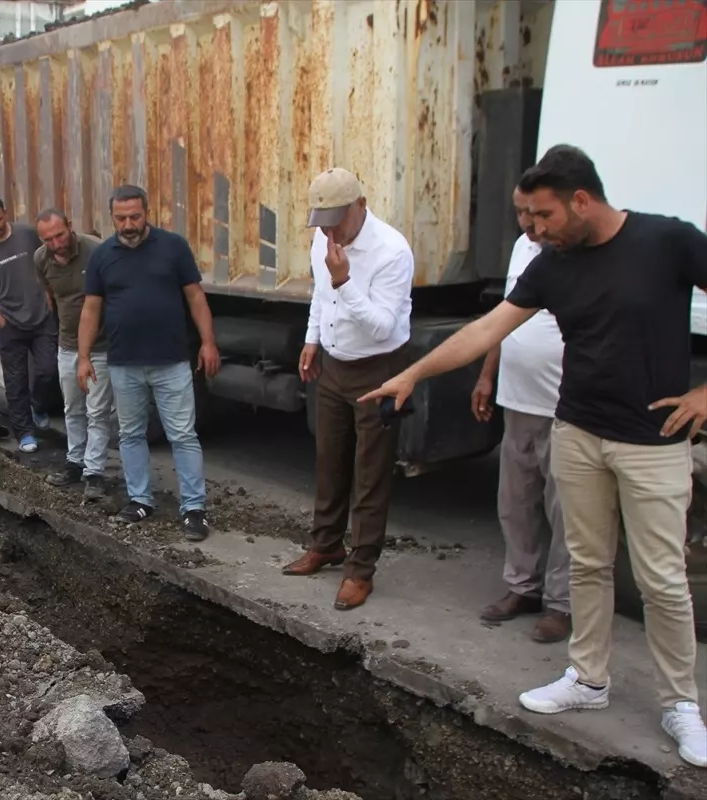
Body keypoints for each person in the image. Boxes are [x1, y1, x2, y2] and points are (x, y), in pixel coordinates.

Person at [358, 144, 707, 768]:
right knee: (589, 566)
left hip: (652, 442)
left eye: (541, 216)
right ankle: (589, 679)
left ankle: (681, 703)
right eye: (527, 218)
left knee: (662, 580)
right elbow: (485, 330)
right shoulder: (551, 266)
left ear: (581, 200)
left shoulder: (668, 242)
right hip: (575, 432)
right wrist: (412, 375)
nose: (533, 230)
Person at [279, 167, 414, 611]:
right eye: (323, 221)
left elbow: (382, 328)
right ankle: (326, 545)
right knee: (328, 459)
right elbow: (321, 294)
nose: (330, 230)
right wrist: (312, 340)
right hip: (335, 365)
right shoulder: (325, 238)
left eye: (338, 219)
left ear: (361, 204)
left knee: (371, 473)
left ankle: (361, 570)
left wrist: (344, 280)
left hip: (380, 369)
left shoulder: (391, 251)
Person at [78, 185, 220, 541]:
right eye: (121, 218)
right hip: (123, 364)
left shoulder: (173, 247)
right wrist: (83, 356)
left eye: (135, 217)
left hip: (171, 362)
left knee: (183, 435)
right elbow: (91, 309)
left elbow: (196, 298)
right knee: (130, 434)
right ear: (112, 217)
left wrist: (208, 342)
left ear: (147, 212)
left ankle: (194, 509)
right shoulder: (102, 256)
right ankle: (140, 499)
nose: (128, 224)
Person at [472, 186, 570, 643]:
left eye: (532, 212)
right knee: (515, 502)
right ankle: (523, 587)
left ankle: (561, 604)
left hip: (562, 403)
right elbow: (505, 315)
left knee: (566, 510)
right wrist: (488, 375)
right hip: (518, 397)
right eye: (519, 212)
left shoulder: (572, 250)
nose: (527, 222)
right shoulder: (521, 246)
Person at [0, 194, 57, 453]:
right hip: (10, 323)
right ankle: (25, 433)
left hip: (41, 317)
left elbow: (47, 262)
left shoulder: (27, 234)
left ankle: (38, 406)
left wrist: (49, 293)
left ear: (6, 212)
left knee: (48, 371)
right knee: (15, 382)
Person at [34, 208, 110, 500]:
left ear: (70, 225)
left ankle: (94, 472)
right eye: (48, 239)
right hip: (66, 345)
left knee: (98, 412)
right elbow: (51, 295)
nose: (56, 243)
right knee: (72, 408)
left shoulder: (96, 251)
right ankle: (74, 462)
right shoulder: (40, 259)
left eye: (60, 234)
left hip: (101, 347)